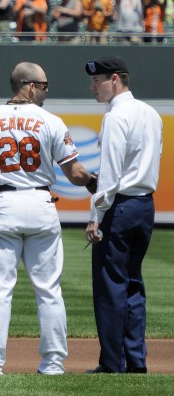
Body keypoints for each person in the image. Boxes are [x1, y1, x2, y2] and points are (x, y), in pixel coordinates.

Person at [0, 62, 95, 375]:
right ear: (30, 86)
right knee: (48, 290)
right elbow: (74, 173)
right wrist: (91, 181)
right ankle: (52, 365)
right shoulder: (50, 120)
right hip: (40, 202)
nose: (47, 91)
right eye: (45, 86)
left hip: (4, 203)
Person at [83, 56, 162, 374]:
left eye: (97, 80)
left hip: (120, 207)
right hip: (145, 206)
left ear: (115, 79)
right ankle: (136, 360)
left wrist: (95, 215)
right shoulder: (151, 113)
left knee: (110, 286)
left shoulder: (115, 117)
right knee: (132, 285)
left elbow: (111, 175)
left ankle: (113, 363)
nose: (92, 87)